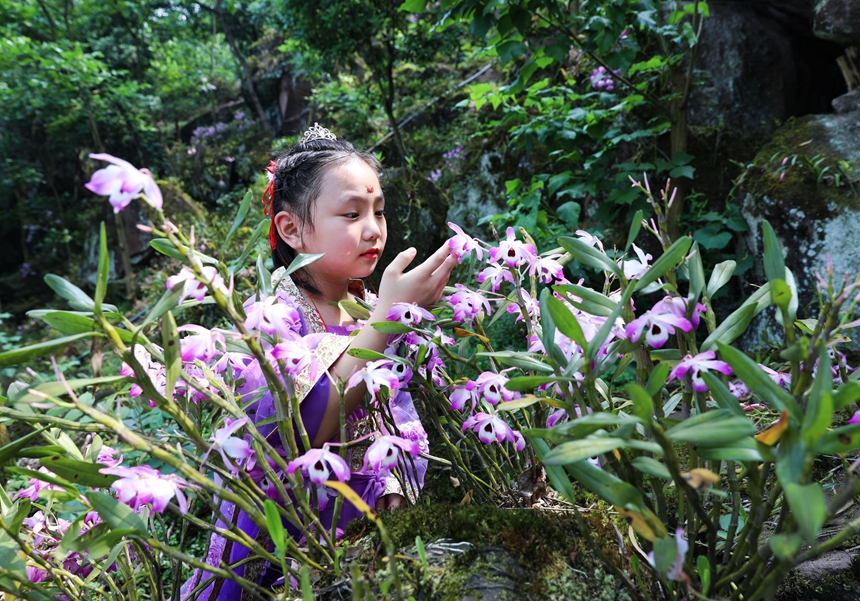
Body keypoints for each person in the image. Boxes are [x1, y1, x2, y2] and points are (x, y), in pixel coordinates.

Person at [181, 124, 456, 600]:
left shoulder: (370, 303)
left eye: (379, 211)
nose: (373, 229)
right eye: (351, 214)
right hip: (288, 525)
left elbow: (396, 407)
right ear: (291, 228)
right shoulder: (272, 319)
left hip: (364, 513)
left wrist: (394, 477)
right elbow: (296, 430)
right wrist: (388, 323)